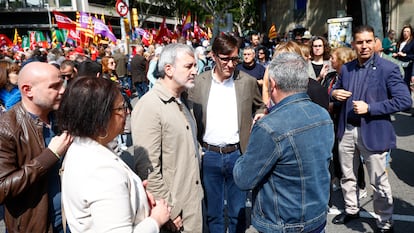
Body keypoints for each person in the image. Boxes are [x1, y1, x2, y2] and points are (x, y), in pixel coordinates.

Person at [233, 52, 334, 233]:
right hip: (317, 217)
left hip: (283, 223)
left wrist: (251, 140)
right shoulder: (322, 115)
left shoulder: (269, 127)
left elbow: (243, 178)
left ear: (272, 84)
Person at [57, 77, 170, 233]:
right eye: (121, 108)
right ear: (100, 117)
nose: (127, 112)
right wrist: (156, 220)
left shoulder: (81, 148)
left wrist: (137, 196)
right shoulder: (102, 171)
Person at [331, 25, 412, 233]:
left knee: (379, 182)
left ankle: (385, 223)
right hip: (347, 130)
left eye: (368, 41)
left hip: (373, 132)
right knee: (347, 175)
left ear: (375, 42)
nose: (364, 46)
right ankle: (351, 209)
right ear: (353, 44)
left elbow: (404, 100)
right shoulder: (347, 68)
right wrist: (335, 95)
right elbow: (336, 90)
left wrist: (371, 108)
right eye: (360, 42)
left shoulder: (388, 68)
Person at [189, 33, 266, 233]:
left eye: (234, 59)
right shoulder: (199, 83)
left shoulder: (247, 82)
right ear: (213, 56)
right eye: (225, 59)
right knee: (213, 213)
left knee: (238, 213)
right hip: (209, 155)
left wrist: (259, 114)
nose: (231, 64)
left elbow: (261, 105)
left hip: (237, 155)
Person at [131, 43, 204, 233]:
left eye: (195, 66)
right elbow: (148, 169)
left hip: (193, 207)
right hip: (174, 216)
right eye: (189, 66)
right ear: (169, 69)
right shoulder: (150, 106)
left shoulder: (184, 101)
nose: (195, 71)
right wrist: (169, 212)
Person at [0, 62, 73, 233]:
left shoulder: (62, 115)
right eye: (54, 86)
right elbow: (2, 188)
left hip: (74, 220)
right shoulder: (6, 128)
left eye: (61, 83)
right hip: (38, 226)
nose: (62, 90)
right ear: (28, 90)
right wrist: (50, 156)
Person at [392, 25, 414, 90]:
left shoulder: (412, 42)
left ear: (410, 33)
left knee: (406, 84)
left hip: (407, 67)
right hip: (399, 64)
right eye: (404, 31)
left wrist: (405, 55)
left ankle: (407, 99)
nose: (405, 33)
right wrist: (396, 54)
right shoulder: (400, 41)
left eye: (407, 31)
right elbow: (398, 51)